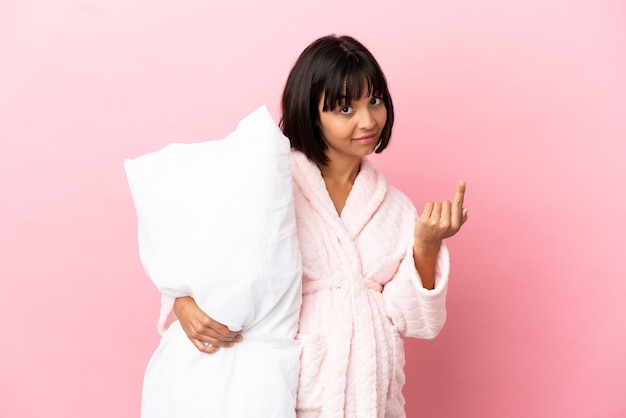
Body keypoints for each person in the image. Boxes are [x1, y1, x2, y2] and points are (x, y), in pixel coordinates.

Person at [161, 34, 468, 417]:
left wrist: (425, 245)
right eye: (344, 109)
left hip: (369, 396)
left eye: (374, 100)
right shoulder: (269, 182)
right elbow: (206, 254)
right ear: (310, 112)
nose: (368, 120)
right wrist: (181, 299)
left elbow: (413, 320)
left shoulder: (394, 207)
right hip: (287, 388)